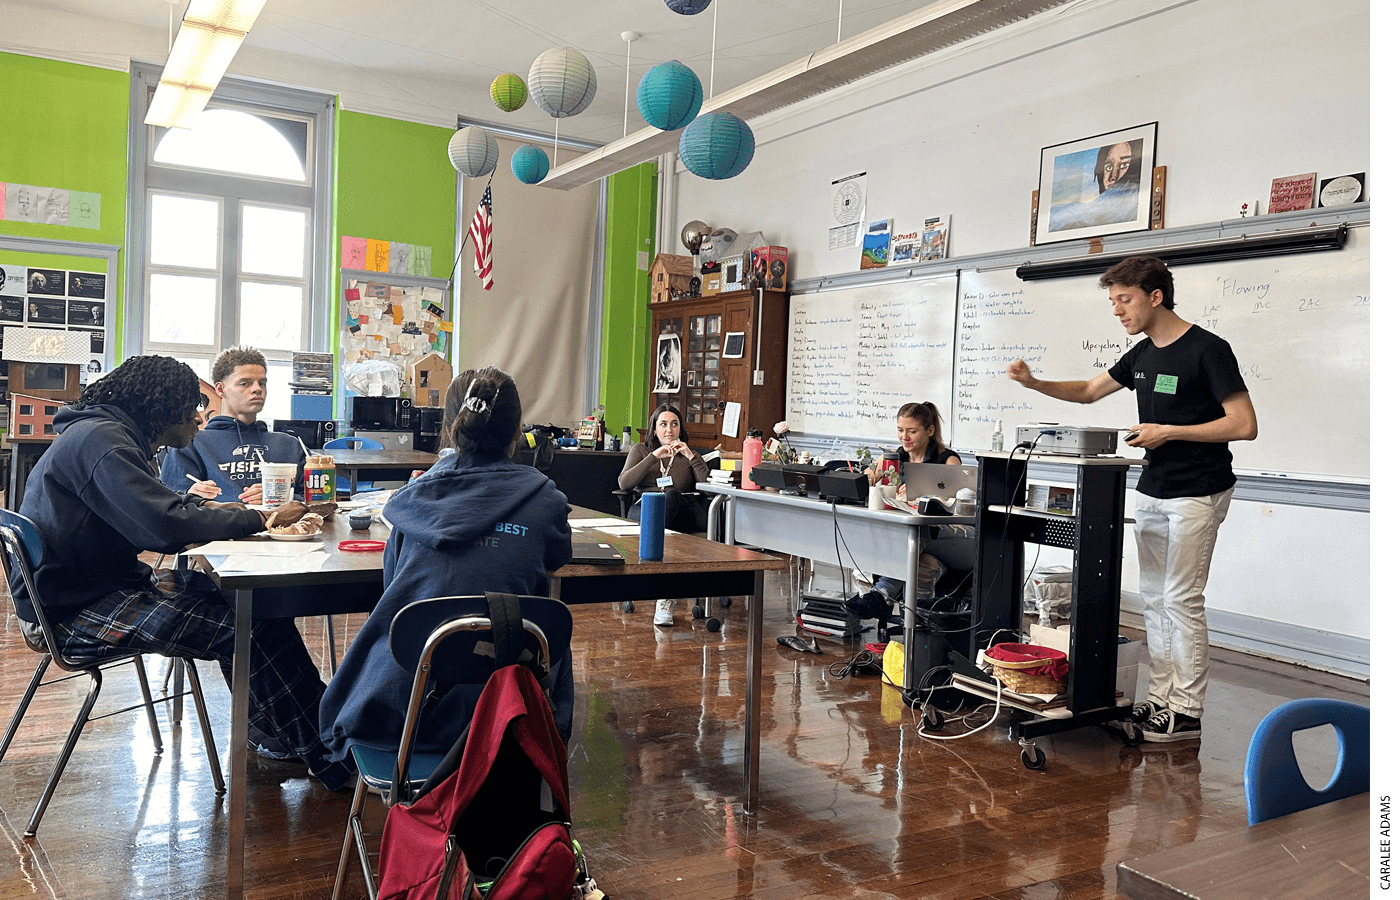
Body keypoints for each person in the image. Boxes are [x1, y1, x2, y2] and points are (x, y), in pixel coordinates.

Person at [10, 355, 353, 789]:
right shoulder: (105, 443)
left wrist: (222, 511)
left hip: (87, 587)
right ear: (161, 404)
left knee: (256, 605)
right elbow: (165, 526)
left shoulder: (104, 434)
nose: (199, 415)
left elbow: (162, 508)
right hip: (72, 611)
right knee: (246, 627)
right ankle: (332, 759)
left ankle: (291, 732)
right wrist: (257, 518)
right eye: (191, 404)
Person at [1006, 256, 1257, 743]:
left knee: (1181, 600)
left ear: (1154, 296)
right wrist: (1035, 383)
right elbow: (1086, 392)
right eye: (1113, 301)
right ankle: (1162, 699)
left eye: (1124, 300)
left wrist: (1170, 432)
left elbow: (1243, 424)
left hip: (1198, 491)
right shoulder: (1141, 355)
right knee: (1157, 601)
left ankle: (1186, 710)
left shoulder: (1208, 349)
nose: (1117, 311)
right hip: (1153, 489)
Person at [320, 366, 574, 761]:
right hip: (506, 713)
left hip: (404, 714)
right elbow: (557, 558)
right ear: (516, 431)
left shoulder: (409, 503)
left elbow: (394, 590)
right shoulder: (548, 501)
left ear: (450, 427)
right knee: (544, 617)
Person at [847, 401, 964, 620]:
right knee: (923, 562)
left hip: (949, 539)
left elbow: (952, 506)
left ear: (930, 431)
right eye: (900, 430)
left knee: (917, 537)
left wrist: (918, 496)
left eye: (912, 431)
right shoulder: (892, 459)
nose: (904, 437)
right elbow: (863, 482)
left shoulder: (947, 461)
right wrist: (872, 481)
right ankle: (918, 624)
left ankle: (880, 596)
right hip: (913, 543)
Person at [159, 346, 305, 503]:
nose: (257, 389)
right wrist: (190, 496)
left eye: (261, 383)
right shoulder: (189, 443)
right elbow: (167, 504)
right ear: (221, 390)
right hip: (218, 526)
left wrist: (283, 497)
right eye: (245, 383)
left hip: (281, 526)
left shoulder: (290, 445)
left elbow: (316, 499)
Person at [617, 403, 711, 626]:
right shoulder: (640, 450)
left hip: (681, 512)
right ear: (654, 428)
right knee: (661, 503)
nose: (669, 430)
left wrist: (690, 455)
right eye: (664, 424)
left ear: (680, 429)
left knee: (671, 496)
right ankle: (664, 591)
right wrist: (654, 456)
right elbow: (624, 482)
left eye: (674, 424)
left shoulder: (690, 455)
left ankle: (664, 595)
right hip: (645, 510)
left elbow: (708, 488)